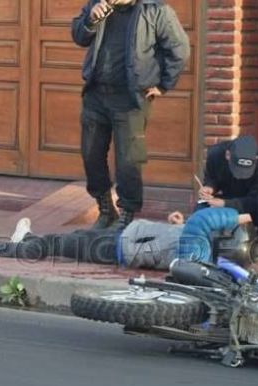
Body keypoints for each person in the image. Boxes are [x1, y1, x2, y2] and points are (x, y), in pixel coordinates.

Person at [72, 0, 190, 230]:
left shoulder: (155, 10)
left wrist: (164, 84)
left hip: (131, 98)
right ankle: (106, 209)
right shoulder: (98, 5)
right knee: (91, 154)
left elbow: (180, 48)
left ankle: (127, 214)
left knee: (129, 160)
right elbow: (79, 36)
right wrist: (90, 20)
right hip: (96, 94)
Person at [0, 208, 253, 271]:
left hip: (117, 248)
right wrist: (178, 225)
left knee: (56, 246)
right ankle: (25, 238)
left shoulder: (197, 250)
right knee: (67, 239)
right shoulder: (201, 255)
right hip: (123, 239)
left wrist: (242, 217)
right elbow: (189, 231)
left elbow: (203, 219)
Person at [197, 135, 258, 262]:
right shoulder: (215, 155)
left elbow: (255, 200)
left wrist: (225, 203)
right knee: (201, 208)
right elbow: (212, 178)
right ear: (228, 155)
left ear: (256, 158)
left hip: (257, 200)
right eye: (237, 169)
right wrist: (209, 188)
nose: (240, 175)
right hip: (230, 195)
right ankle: (202, 243)